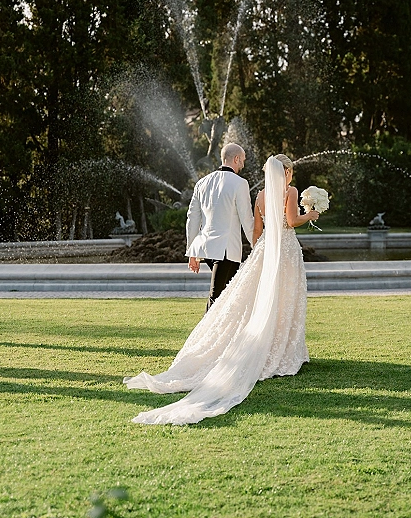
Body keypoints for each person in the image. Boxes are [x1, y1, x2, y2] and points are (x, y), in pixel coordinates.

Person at [124, 154, 320, 425]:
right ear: (286, 172)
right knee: (285, 298)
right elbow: (291, 219)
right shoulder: (291, 191)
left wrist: (258, 253)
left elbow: (256, 231)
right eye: (290, 172)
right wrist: (310, 214)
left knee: (255, 301)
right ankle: (284, 351)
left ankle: (269, 345)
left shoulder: (260, 196)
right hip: (284, 251)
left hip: (263, 250)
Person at [186, 142, 254, 311]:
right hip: (226, 249)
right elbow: (247, 218)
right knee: (217, 296)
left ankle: (225, 335)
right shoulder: (240, 183)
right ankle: (205, 336)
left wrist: (192, 251)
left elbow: (192, 218)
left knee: (227, 295)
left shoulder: (202, 182)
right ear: (236, 159)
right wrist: (256, 243)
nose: (243, 165)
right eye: (243, 160)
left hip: (206, 247)